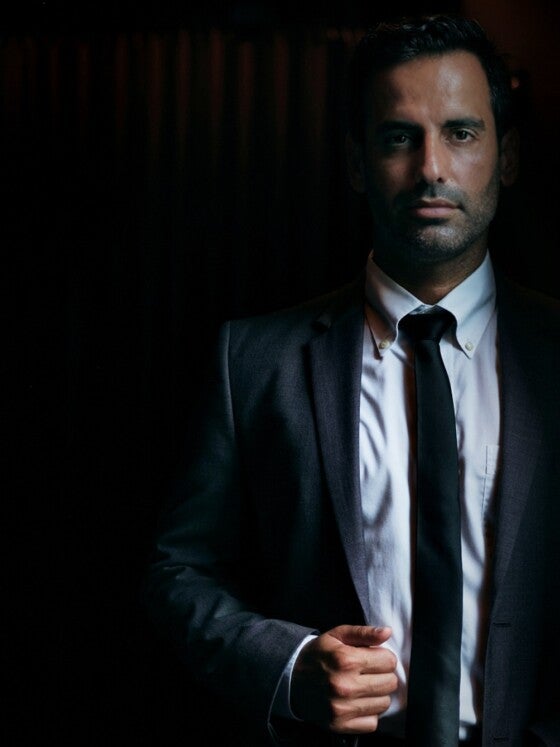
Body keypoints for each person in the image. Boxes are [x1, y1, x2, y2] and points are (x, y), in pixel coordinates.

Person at [143, 14, 560, 747]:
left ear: (508, 156)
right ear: (358, 164)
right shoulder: (252, 361)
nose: (431, 167)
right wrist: (287, 666)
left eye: (461, 133)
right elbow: (178, 572)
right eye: (399, 137)